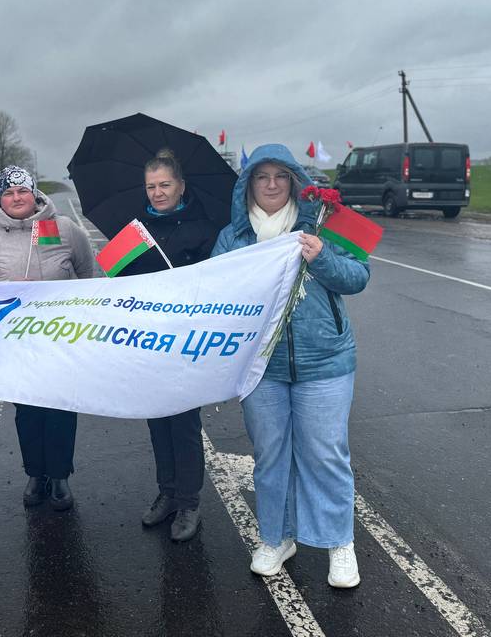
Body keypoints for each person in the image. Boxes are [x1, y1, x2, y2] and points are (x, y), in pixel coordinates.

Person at [210, 144, 369, 587]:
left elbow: (359, 276)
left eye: (281, 176)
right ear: (248, 184)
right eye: (262, 176)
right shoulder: (233, 237)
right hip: (261, 367)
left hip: (326, 361)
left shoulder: (325, 222)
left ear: (296, 181)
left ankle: (339, 542)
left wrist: (323, 258)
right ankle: (276, 537)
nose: (272, 184)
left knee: (326, 452)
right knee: (270, 454)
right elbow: (216, 293)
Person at [0, 165, 94, 510]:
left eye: (22, 190)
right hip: (16, 344)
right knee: (28, 410)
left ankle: (60, 475)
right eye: (8, 192)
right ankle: (36, 473)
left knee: (60, 407)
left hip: (61, 338)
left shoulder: (63, 229)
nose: (16, 197)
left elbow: (87, 274)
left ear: (34, 193)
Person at [119, 148, 219, 542]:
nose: (158, 193)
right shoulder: (135, 230)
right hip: (148, 341)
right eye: (151, 187)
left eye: (164, 185)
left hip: (187, 342)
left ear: (180, 186)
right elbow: (116, 279)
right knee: (158, 420)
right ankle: (168, 492)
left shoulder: (204, 229)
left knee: (184, 424)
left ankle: (189, 502)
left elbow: (218, 284)